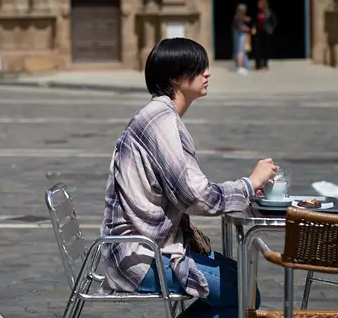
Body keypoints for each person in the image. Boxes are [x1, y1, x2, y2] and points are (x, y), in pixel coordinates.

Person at [100, 38, 277, 318]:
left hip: (147, 247)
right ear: (174, 78)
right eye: (198, 68)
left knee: (246, 281)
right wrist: (249, 184)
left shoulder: (161, 115)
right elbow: (195, 196)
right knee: (246, 293)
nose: (207, 73)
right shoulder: (161, 122)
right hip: (141, 256)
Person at [251, 0, 277, 71]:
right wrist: (253, 27)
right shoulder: (257, 12)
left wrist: (271, 29)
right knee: (257, 48)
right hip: (258, 32)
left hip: (266, 32)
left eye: (260, 4)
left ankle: (265, 64)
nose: (258, 5)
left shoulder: (269, 13)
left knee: (265, 48)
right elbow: (255, 21)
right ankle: (258, 64)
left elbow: (274, 21)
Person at [232, 4, 251, 75]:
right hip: (240, 36)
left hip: (239, 35)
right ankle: (240, 67)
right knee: (240, 51)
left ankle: (239, 66)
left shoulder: (238, 17)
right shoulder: (238, 18)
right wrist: (247, 28)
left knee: (238, 51)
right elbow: (240, 27)